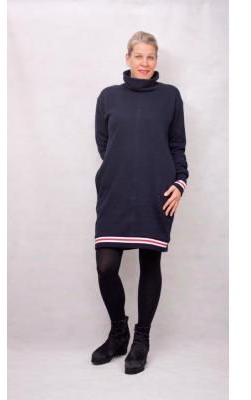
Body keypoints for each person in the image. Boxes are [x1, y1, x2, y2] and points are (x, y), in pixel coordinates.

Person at [91, 31, 189, 374]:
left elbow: (177, 145)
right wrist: (122, 169)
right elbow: (105, 144)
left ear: (156, 60)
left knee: (150, 264)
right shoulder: (108, 97)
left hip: (155, 192)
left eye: (151, 57)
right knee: (106, 267)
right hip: (116, 191)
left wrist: (179, 183)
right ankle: (118, 331)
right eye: (139, 56)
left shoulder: (170, 97)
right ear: (128, 58)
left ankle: (141, 338)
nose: (145, 63)